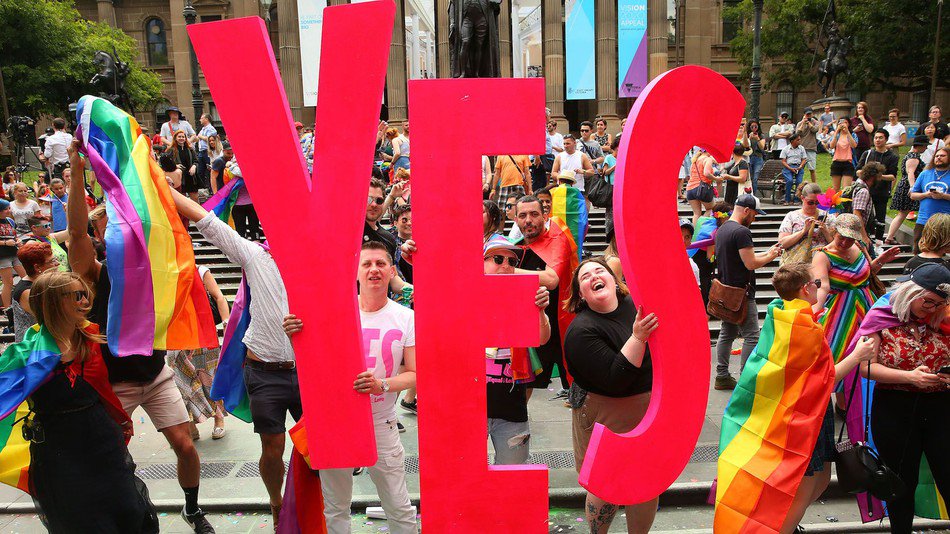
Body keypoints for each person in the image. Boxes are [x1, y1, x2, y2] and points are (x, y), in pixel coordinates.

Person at [66, 141, 215, 533]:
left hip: (155, 374)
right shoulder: (95, 272)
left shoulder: (153, 267)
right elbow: (77, 233)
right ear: (102, 236)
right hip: (115, 383)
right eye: (109, 227)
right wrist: (77, 170)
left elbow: (168, 221)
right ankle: (114, 513)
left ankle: (192, 508)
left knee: (185, 446)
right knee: (112, 455)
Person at [11, 270, 159, 533]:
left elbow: (103, 388)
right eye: (77, 295)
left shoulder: (91, 337)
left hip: (102, 441)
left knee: (128, 511)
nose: (85, 301)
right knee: (84, 521)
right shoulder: (26, 354)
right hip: (61, 450)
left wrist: (120, 421)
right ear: (54, 302)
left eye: (85, 294)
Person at [285, 242, 418, 534]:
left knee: (399, 506)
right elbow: (314, 363)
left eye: (381, 264)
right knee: (336, 508)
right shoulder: (333, 313)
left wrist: (381, 385)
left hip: (381, 422)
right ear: (356, 272)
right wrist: (297, 337)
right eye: (366, 264)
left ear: (392, 271)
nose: (374, 270)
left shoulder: (406, 317)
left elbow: (415, 373)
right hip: (335, 421)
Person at [765, 263, 878, 534]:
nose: (820, 286)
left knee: (820, 477)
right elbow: (825, 380)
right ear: (806, 288)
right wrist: (857, 356)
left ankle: (784, 525)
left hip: (806, 409)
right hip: (806, 413)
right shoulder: (805, 328)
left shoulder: (780, 314)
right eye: (816, 283)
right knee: (807, 484)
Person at [562, 257, 658, 534]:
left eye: (599, 271)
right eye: (585, 277)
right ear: (581, 295)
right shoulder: (581, 331)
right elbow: (615, 380)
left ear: (614, 281)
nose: (594, 276)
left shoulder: (636, 306)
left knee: (646, 480)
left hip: (646, 407)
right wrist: (638, 337)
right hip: (604, 411)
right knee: (604, 481)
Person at [859, 263, 950, 534]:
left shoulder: (944, 316)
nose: (932, 309)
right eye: (928, 301)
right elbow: (866, 367)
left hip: (941, 406)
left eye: (940, 304)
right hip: (894, 408)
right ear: (912, 293)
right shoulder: (881, 315)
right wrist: (909, 377)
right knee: (900, 484)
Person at [482, 235, 551, 464]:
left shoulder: (525, 297)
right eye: (498, 259)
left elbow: (542, 338)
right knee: (466, 478)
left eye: (511, 262)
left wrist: (540, 311)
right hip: (470, 408)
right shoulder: (464, 296)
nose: (506, 265)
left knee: (513, 474)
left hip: (511, 408)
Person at [713, 194, 782, 390]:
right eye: (754, 214)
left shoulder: (724, 228)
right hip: (742, 293)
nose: (754, 218)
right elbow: (750, 263)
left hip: (726, 291)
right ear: (746, 210)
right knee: (752, 336)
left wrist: (768, 253)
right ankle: (746, 379)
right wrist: (770, 257)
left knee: (727, 333)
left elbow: (744, 258)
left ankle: (721, 375)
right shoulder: (742, 232)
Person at [811, 214, 900, 362]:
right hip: (839, 313)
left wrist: (881, 261)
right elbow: (823, 287)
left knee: (875, 351)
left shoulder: (859, 246)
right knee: (838, 352)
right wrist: (814, 314)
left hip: (867, 306)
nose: (845, 242)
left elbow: (868, 273)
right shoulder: (822, 256)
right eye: (841, 237)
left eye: (850, 238)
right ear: (834, 231)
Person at [512, 195, 570, 399]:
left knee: (577, 391)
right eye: (522, 215)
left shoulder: (557, 238)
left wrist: (506, 270)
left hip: (563, 327)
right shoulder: (516, 247)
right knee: (524, 383)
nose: (528, 220)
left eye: (534, 214)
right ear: (515, 220)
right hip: (533, 328)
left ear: (545, 216)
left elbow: (551, 279)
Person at [168, 265, 229, 441]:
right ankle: (190, 423)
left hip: (203, 333)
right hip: (177, 333)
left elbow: (219, 297)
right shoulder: (165, 270)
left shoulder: (200, 271)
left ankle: (218, 418)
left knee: (209, 377)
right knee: (179, 380)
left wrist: (226, 323)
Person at [11, 241, 60, 341]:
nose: (57, 264)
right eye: (52, 261)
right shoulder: (28, 292)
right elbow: (51, 320)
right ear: (37, 267)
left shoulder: (42, 283)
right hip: (34, 345)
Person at [857, 130, 900, 243]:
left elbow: (892, 176)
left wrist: (879, 176)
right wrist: (868, 174)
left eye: (880, 138)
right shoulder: (867, 154)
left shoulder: (892, 157)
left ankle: (879, 242)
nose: (877, 140)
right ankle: (863, 238)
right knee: (863, 216)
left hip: (882, 192)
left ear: (886, 139)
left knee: (880, 218)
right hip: (865, 191)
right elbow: (857, 171)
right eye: (876, 138)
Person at [777, 183, 834, 265]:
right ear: (802, 198)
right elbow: (782, 244)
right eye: (810, 202)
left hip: (821, 264)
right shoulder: (792, 216)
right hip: (796, 265)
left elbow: (836, 244)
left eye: (817, 202)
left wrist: (825, 231)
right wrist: (803, 231)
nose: (814, 206)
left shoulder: (827, 216)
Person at [886, 134, 928, 244]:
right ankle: (890, 237)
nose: (926, 148)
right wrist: (913, 187)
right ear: (920, 145)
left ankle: (890, 236)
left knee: (903, 213)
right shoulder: (913, 157)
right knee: (903, 213)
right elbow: (911, 173)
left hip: (905, 185)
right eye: (925, 145)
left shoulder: (911, 155)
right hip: (908, 186)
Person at [909, 147, 950, 254]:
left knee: (940, 251)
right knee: (918, 250)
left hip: (944, 221)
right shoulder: (925, 174)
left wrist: (943, 196)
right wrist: (926, 194)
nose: (939, 158)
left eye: (942, 156)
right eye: (937, 156)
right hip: (923, 220)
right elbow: (913, 195)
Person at [0, 199, 25, 312]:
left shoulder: (10, 221)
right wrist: (5, 243)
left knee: (25, 276)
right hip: (3, 255)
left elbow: (14, 235)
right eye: (6, 209)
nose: (9, 211)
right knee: (8, 282)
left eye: (9, 208)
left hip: (14, 252)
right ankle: (7, 309)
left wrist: (17, 240)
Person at [685, 150, 720, 229]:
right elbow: (706, 173)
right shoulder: (707, 159)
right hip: (702, 188)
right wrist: (716, 179)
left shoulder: (695, 160)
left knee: (696, 213)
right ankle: (700, 227)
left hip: (690, 189)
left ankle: (695, 232)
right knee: (711, 209)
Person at [827, 117, 858, 190]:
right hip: (836, 163)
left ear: (849, 124)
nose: (843, 124)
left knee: (846, 189)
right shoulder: (837, 135)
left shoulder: (853, 134)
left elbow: (854, 145)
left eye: (845, 122)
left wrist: (847, 132)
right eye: (841, 123)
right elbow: (831, 146)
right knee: (835, 189)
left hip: (848, 163)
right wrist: (836, 131)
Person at [170, 130, 200, 202]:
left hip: (191, 176)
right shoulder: (171, 150)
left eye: (183, 137)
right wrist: (175, 166)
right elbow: (166, 163)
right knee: (182, 199)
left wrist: (194, 166)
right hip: (179, 177)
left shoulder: (190, 149)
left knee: (195, 197)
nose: (181, 138)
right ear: (175, 138)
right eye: (179, 137)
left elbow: (196, 161)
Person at [796, 108, 821, 185]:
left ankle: (814, 185)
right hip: (801, 148)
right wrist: (803, 123)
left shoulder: (815, 122)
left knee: (812, 169)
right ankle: (798, 184)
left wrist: (809, 123)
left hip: (811, 148)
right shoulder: (800, 123)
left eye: (810, 114)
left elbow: (815, 130)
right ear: (804, 114)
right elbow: (797, 133)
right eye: (807, 114)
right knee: (799, 168)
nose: (809, 116)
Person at [780, 134, 807, 204]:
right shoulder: (786, 149)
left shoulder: (801, 148)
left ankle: (796, 199)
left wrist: (800, 166)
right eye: (798, 140)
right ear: (792, 141)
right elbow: (783, 161)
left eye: (799, 139)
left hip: (798, 166)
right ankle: (787, 199)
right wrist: (790, 168)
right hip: (788, 167)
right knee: (789, 181)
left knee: (799, 182)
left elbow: (804, 159)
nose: (799, 141)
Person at [195, 113, 218, 191]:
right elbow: (197, 138)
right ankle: (203, 188)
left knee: (210, 170)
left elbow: (210, 139)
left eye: (202, 118)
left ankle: (212, 189)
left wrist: (200, 136)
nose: (200, 120)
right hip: (201, 152)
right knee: (200, 171)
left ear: (206, 119)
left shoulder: (211, 129)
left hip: (207, 151)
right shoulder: (203, 129)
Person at [849, 101, 874, 166]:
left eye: (862, 108)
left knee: (866, 164)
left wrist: (863, 119)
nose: (860, 109)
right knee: (856, 164)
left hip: (865, 146)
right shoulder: (852, 120)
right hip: (855, 146)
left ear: (865, 109)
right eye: (859, 108)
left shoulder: (868, 119)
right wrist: (855, 130)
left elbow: (870, 130)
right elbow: (847, 133)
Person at [745, 120, 766, 196]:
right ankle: (749, 194)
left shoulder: (761, 135)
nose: (754, 128)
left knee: (755, 178)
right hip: (749, 157)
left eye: (755, 126)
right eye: (752, 127)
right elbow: (745, 146)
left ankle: (753, 195)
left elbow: (762, 147)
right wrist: (749, 138)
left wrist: (758, 139)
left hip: (758, 157)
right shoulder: (746, 135)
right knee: (749, 177)